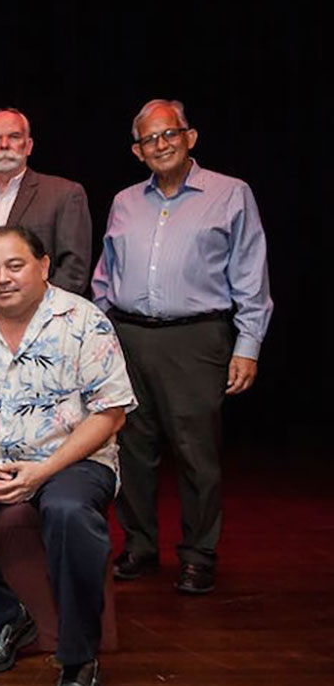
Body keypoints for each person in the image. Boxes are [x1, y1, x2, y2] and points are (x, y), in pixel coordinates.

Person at [0, 225, 136, 686]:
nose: (2, 279)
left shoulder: (85, 321)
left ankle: (80, 658)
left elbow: (111, 412)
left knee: (68, 511)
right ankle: (0, 618)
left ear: (43, 267)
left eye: (14, 266)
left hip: (70, 458)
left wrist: (43, 473)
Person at [92, 100, 272, 596]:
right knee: (131, 448)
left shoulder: (231, 194)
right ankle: (141, 546)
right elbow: (105, 275)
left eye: (170, 133)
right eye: (151, 139)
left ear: (190, 137)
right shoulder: (125, 201)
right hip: (127, 337)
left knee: (196, 451)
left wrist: (248, 344)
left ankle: (197, 553)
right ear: (137, 150)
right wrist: (100, 334)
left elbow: (250, 274)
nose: (162, 144)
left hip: (197, 337)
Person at [0, 108, 93, 295]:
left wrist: (39, 313)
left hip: (42, 316)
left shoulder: (64, 194)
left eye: (14, 136)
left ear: (28, 146)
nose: (4, 145)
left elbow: (73, 271)